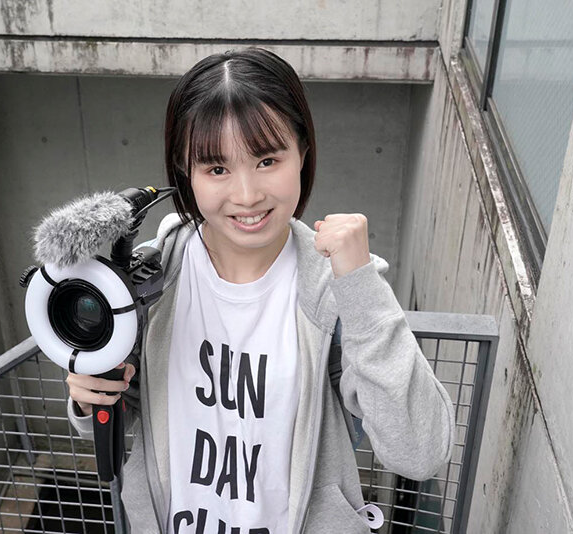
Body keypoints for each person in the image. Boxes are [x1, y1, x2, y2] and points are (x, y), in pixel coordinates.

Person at [65, 47, 455, 534]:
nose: (247, 195)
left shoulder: (337, 289)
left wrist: (361, 286)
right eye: (217, 169)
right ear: (185, 171)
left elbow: (420, 451)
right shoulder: (150, 279)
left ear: (303, 152)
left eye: (267, 159)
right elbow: (118, 417)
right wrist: (91, 397)